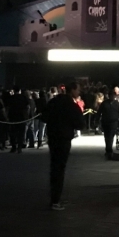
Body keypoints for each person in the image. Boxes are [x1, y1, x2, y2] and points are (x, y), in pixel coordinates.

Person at [41, 81, 85, 210]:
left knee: (54, 166)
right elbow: (80, 124)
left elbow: (44, 116)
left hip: (53, 137)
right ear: (72, 90)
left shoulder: (54, 102)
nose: (79, 92)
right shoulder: (72, 105)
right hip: (64, 138)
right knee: (60, 168)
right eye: (78, 90)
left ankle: (55, 198)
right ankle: (55, 200)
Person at [98, 89, 119, 159]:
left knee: (111, 136)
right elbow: (99, 112)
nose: (112, 97)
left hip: (114, 122)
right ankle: (108, 149)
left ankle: (109, 150)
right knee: (106, 137)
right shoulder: (104, 103)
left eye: (113, 95)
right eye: (111, 95)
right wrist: (97, 121)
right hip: (105, 122)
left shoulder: (118, 104)